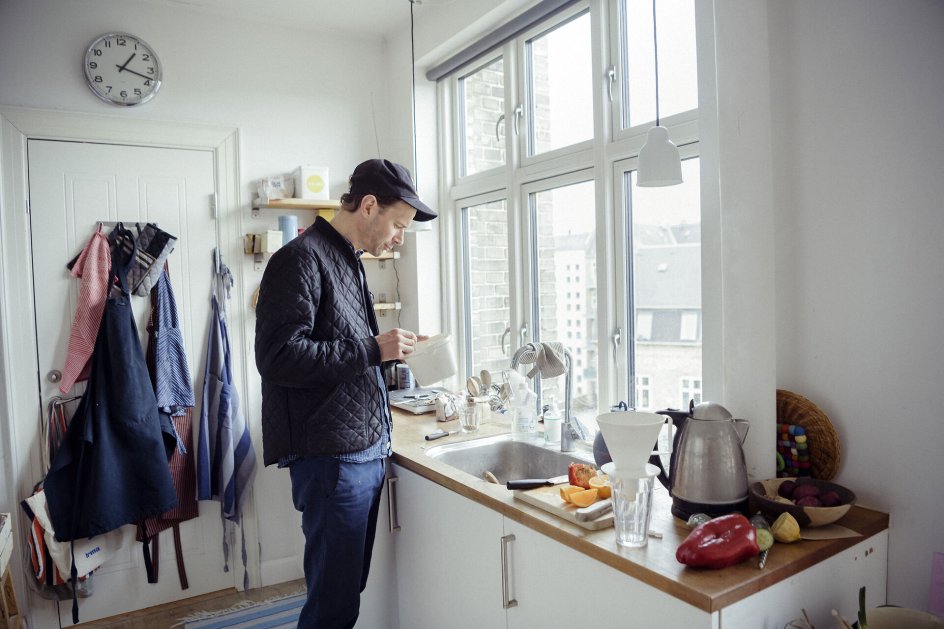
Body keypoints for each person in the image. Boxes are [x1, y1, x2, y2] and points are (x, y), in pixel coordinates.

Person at [254, 158, 437, 628]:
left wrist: (385, 355)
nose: (399, 238)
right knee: (333, 602)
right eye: (398, 225)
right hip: (332, 457)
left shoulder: (346, 261)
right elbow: (278, 357)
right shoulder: (299, 259)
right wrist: (373, 349)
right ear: (370, 206)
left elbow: (342, 351)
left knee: (345, 593)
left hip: (362, 451)